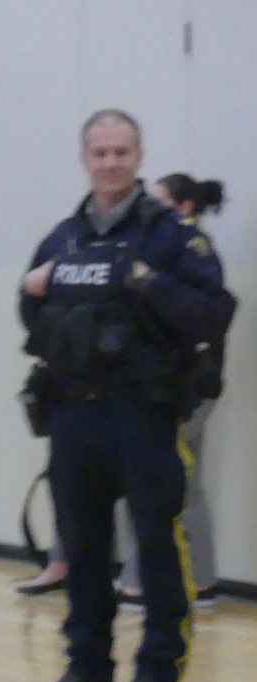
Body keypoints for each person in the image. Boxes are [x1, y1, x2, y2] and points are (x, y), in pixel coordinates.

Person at [20, 110, 235, 682]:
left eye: (121, 152)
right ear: (84, 158)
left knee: (156, 546)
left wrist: (144, 281)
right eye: (99, 152)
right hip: (73, 414)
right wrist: (29, 291)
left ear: (138, 158)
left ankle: (157, 677)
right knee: (83, 548)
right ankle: (87, 671)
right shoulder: (63, 237)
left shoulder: (171, 235)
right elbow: (35, 320)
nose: (110, 163)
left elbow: (211, 313)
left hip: (141, 413)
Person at [117, 172, 229, 607]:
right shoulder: (181, 253)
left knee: (150, 479)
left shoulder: (187, 254)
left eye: (161, 202)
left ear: (183, 208)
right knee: (187, 486)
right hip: (192, 386)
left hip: (187, 387)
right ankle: (202, 582)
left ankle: (138, 580)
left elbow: (195, 320)